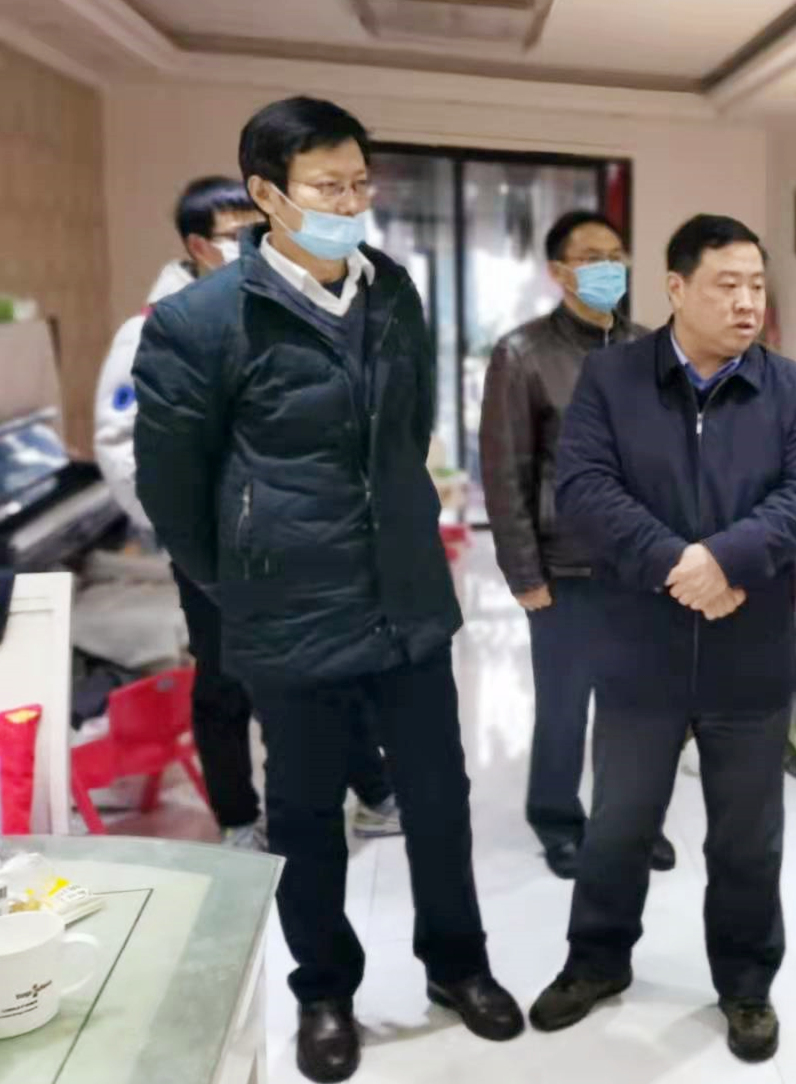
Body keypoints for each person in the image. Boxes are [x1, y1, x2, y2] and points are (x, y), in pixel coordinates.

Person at [132, 97, 522, 1083]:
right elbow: (171, 488)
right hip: (287, 609)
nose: (351, 203)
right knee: (305, 814)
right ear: (266, 195)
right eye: (327, 187)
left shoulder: (392, 291)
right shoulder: (198, 322)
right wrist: (244, 577)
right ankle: (325, 991)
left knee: (437, 797)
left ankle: (458, 965)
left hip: (405, 595)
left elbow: (409, 427)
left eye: (359, 184)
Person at [528, 214, 796, 1064]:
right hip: (640, 646)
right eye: (725, 285)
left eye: (756, 286)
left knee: (746, 838)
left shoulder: (791, 388)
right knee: (618, 824)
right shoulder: (613, 377)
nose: (746, 303)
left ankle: (745, 983)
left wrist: (726, 559)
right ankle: (596, 962)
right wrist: (678, 564)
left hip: (749, 649)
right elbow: (583, 488)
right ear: (675, 288)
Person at [95, 177, 401, 852]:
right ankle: (237, 816)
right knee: (228, 680)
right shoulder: (153, 329)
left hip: (296, 532)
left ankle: (376, 793)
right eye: (240, 234)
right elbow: (122, 447)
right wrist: (189, 535)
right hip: (214, 545)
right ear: (198, 246)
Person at [480, 210, 676, 880]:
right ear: (558, 272)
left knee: (638, 707)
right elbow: (505, 471)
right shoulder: (522, 355)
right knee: (565, 707)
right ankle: (557, 820)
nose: (608, 267)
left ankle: (630, 819)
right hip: (567, 563)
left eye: (617, 253)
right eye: (592, 256)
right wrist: (523, 572)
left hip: (643, 563)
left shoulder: (651, 349)